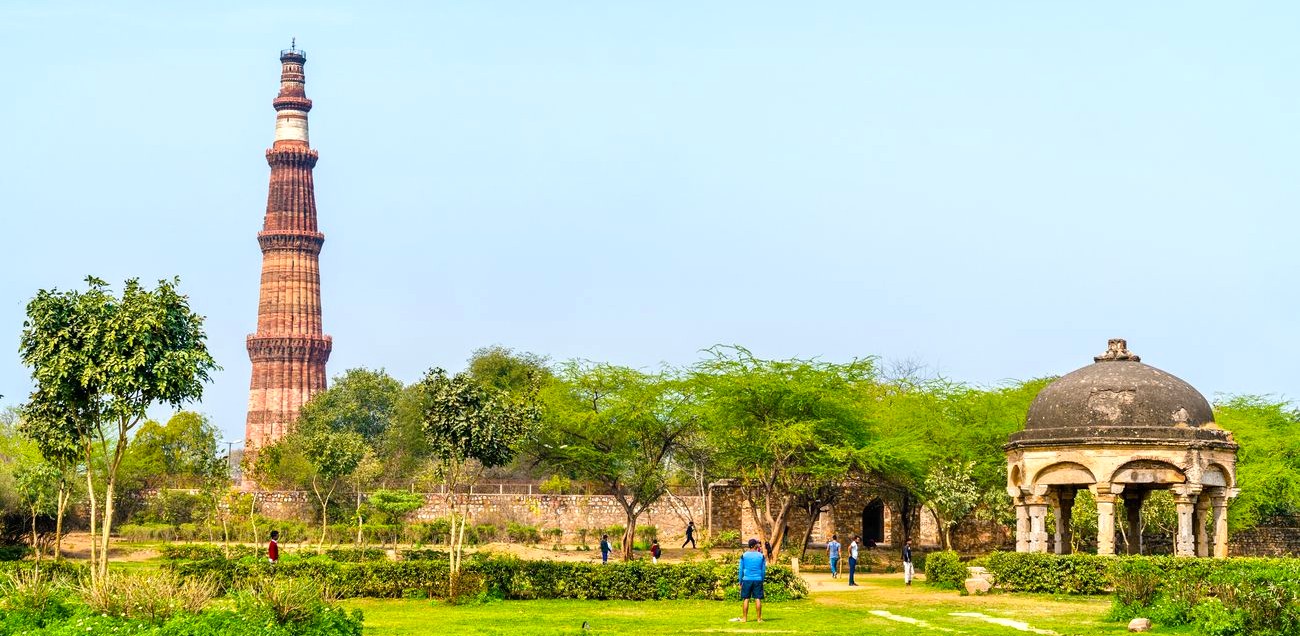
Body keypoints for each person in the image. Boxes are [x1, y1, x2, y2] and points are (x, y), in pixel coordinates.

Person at [738, 538, 766, 623]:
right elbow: (763, 570)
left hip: (747, 580)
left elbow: (741, 569)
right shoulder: (761, 556)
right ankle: (759, 619)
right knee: (757, 598)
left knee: (746, 599)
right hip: (758, 579)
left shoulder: (744, 555)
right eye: (757, 544)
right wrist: (762, 579)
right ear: (754, 545)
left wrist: (740, 581)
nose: (758, 545)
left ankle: (744, 618)